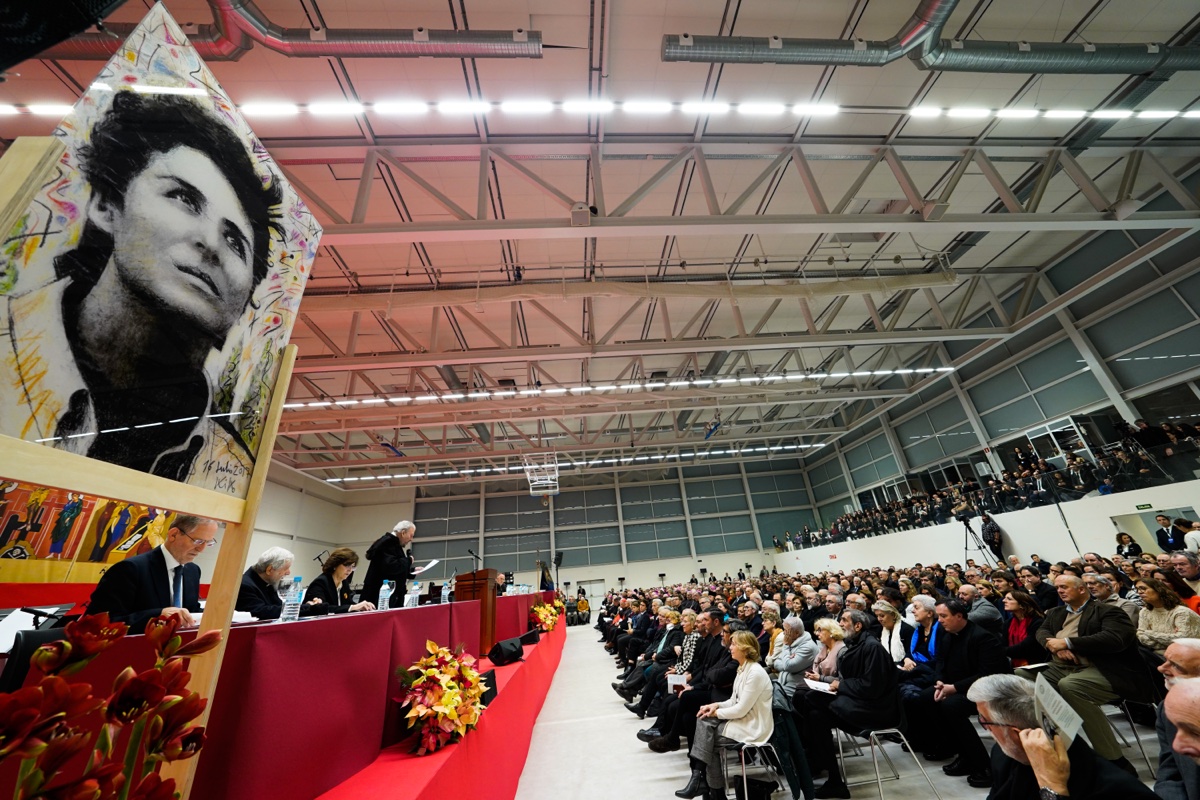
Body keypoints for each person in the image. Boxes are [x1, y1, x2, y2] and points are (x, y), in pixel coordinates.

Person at [0, 92, 283, 491]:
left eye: (236, 242)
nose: (211, 244)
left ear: (245, 301)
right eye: (184, 198)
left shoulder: (226, 467)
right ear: (106, 206)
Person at [1020, 574, 1143, 775]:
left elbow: (1114, 638)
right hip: (1062, 666)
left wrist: (1068, 643)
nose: (1060, 591)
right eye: (1057, 587)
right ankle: (1058, 742)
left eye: (1064, 586)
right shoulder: (1057, 612)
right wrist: (1055, 647)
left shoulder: (1107, 611)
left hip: (1102, 669)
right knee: (1021, 677)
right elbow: (1041, 632)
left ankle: (1115, 760)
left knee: (1072, 686)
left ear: (1082, 589)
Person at [965, 674, 1157, 799]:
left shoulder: (1119, 791)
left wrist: (1053, 790)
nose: (986, 729)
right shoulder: (1002, 755)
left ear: (1016, 734)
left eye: (985, 721)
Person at [793, 609, 899, 799]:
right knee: (814, 712)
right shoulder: (857, 644)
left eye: (844, 620)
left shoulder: (871, 647)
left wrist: (840, 685)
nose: (840, 624)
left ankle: (815, 761)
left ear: (857, 626)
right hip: (860, 700)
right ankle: (831, 777)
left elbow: (871, 686)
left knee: (811, 701)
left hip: (875, 709)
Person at [905, 598, 1010, 788]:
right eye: (939, 616)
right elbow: (941, 663)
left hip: (989, 688)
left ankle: (982, 765)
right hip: (959, 685)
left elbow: (987, 674)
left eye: (944, 616)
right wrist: (939, 682)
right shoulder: (948, 634)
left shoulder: (983, 637)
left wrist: (953, 688)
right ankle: (954, 748)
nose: (940, 621)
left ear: (959, 616)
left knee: (951, 706)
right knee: (925, 698)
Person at [675, 630, 774, 800]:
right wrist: (715, 705)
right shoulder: (743, 668)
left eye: (734, 644)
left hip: (752, 725)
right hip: (742, 719)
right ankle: (706, 785)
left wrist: (716, 713)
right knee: (704, 721)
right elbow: (733, 700)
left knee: (707, 737)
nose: (730, 647)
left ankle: (709, 787)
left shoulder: (755, 673)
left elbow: (741, 709)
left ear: (745, 648)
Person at [86, 514, 217, 631]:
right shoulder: (130, 569)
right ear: (173, 534)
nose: (202, 549)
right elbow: (99, 622)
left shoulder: (193, 571)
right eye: (198, 541)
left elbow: (190, 611)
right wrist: (158, 615)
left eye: (208, 542)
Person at [1155, 639, 1200, 800]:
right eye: (1165, 660)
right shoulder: (1169, 709)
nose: (1161, 668)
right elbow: (1171, 775)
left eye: (1176, 666)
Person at [236, 546, 331, 620]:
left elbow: (280, 607)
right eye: (286, 568)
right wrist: (308, 608)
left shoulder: (267, 583)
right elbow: (265, 612)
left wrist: (308, 606)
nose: (288, 572)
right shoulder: (245, 586)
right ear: (269, 569)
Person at [1136, 577, 1200, 655]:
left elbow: (1181, 640)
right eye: (1137, 589)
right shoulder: (1144, 612)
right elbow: (1141, 637)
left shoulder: (1181, 612)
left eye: (1143, 588)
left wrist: (1148, 633)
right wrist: (1167, 640)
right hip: (1156, 654)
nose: (1139, 592)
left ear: (1158, 590)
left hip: (1186, 654)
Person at [360, 520, 416, 608]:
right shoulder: (387, 543)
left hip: (389, 595)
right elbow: (391, 566)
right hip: (380, 596)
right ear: (403, 533)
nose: (411, 539)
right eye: (411, 535)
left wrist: (412, 571)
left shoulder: (393, 543)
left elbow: (394, 569)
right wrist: (408, 560)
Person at [304, 548, 375, 614]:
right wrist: (353, 607)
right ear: (335, 565)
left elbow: (348, 604)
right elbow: (321, 609)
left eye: (353, 566)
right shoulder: (320, 582)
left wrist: (362, 606)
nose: (350, 570)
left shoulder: (344, 582)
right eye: (347, 565)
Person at [766, 616, 818, 698]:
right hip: (782, 681)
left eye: (786, 630)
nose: (784, 633)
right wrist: (787, 661)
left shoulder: (808, 647)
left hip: (795, 687)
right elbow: (776, 663)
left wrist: (786, 646)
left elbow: (789, 666)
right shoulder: (792, 640)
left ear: (796, 633)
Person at [1002, 590, 1046, 667]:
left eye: (1009, 599)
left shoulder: (1037, 622)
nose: (1003, 601)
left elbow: (1027, 647)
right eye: (1005, 598)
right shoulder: (1008, 623)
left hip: (1035, 662)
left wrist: (1001, 651)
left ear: (1021, 605)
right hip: (1013, 660)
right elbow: (1003, 643)